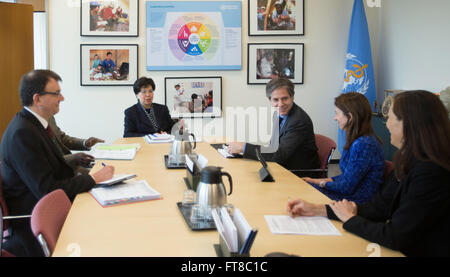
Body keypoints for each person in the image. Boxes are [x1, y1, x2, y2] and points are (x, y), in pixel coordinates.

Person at [287, 90, 450, 257]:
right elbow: (380, 206)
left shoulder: (431, 173)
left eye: (391, 117)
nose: (386, 124)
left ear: (408, 124)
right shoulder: (408, 159)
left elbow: (396, 236)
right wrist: (318, 209)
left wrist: (350, 219)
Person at [0, 70, 114, 256]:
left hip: (52, 209)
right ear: (37, 99)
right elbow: (48, 190)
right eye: (56, 93)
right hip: (38, 223)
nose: (62, 98)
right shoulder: (22, 134)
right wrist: (93, 179)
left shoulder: (35, 125)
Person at [302, 92, 384, 204]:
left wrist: (321, 183)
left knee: (305, 191)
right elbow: (346, 177)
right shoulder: (357, 140)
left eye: (337, 113)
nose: (335, 118)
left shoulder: (364, 145)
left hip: (356, 200)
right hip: (349, 194)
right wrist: (317, 180)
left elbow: (347, 187)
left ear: (350, 117)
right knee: (306, 186)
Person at [228, 78, 320, 173]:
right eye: (276, 100)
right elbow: (273, 147)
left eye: (285, 98)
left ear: (292, 97)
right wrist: (244, 150)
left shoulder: (299, 121)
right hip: (283, 164)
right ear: (270, 100)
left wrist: (244, 147)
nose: (280, 104)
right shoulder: (277, 114)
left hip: (299, 172)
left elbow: (279, 156)